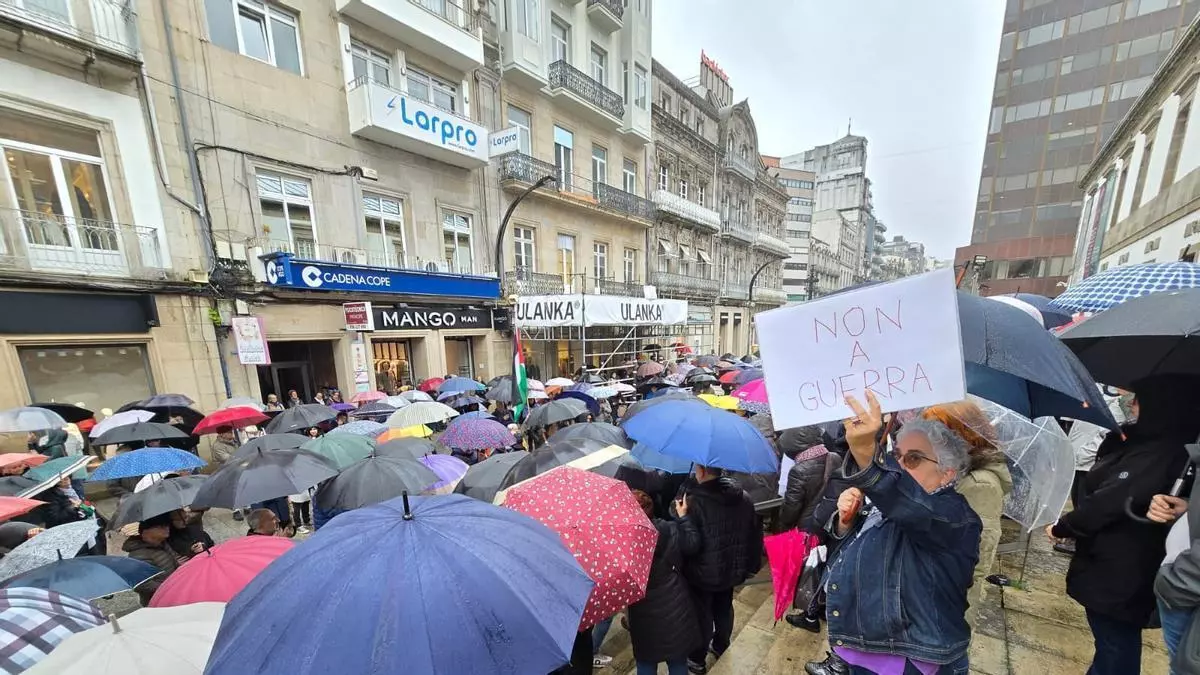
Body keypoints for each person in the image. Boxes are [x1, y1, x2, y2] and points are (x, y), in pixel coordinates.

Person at [807, 392, 980, 675]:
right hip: (864, 651)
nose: (898, 466)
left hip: (908, 662)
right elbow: (852, 556)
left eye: (913, 459)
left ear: (948, 473)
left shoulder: (955, 517)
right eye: (896, 456)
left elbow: (915, 512)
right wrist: (846, 525)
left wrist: (864, 454)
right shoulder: (890, 505)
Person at [1047, 375, 1200, 675]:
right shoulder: (1155, 441)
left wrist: (1062, 526)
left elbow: (1109, 501)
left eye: (1139, 398)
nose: (1131, 404)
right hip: (1125, 565)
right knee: (1113, 642)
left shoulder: (1158, 450)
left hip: (1122, 567)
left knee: (1115, 643)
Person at [923, 400, 1014, 630]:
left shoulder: (980, 484)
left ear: (962, 434)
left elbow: (980, 554)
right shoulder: (950, 468)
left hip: (949, 596)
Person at [681, 464, 762, 674]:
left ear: (701, 471)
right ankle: (721, 644)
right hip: (732, 569)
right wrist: (749, 567)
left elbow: (690, 545)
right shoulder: (743, 496)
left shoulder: (694, 502)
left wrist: (684, 519)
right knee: (724, 608)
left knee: (701, 616)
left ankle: (696, 660)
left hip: (702, 574)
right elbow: (755, 534)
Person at [627, 489, 701, 675]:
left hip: (642, 612)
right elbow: (692, 544)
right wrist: (683, 517)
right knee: (677, 659)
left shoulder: (621, 542)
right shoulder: (669, 529)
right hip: (674, 604)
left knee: (645, 661)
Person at [777, 425, 839, 632]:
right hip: (830, 523)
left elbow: (791, 508)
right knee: (823, 565)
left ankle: (810, 616)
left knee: (809, 571)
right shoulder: (834, 457)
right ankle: (822, 606)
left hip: (808, 528)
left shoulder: (800, 470)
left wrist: (784, 525)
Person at [123, 514, 183, 605]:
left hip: (174, 595)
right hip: (158, 602)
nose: (167, 528)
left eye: (167, 525)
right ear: (147, 530)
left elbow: (175, 563)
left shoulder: (162, 544)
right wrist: (169, 587)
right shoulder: (138, 555)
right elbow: (141, 585)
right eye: (162, 526)